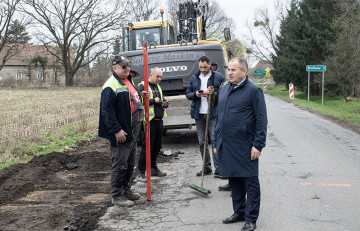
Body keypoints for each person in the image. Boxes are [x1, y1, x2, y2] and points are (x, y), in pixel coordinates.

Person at [213, 57, 267, 231]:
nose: (230, 72)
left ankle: (251, 218)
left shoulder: (253, 91)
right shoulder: (224, 89)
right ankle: (239, 212)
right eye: (229, 69)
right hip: (227, 144)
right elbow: (219, 118)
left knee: (250, 183)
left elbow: (261, 120)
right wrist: (216, 141)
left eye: (234, 70)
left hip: (246, 145)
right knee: (234, 180)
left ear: (244, 72)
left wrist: (258, 145)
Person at [98, 55, 146, 207]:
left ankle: (126, 189)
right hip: (121, 132)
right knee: (120, 164)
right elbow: (107, 111)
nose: (127, 68)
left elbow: (132, 102)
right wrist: (117, 130)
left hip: (132, 129)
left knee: (130, 162)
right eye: (123, 66)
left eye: (128, 66)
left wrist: (141, 97)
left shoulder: (128, 81)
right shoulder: (110, 85)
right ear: (115, 68)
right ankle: (117, 195)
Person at [186, 56, 225, 178]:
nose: (203, 69)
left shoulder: (218, 77)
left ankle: (219, 169)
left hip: (213, 114)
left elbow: (224, 93)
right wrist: (196, 94)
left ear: (210, 65)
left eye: (205, 67)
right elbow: (188, 93)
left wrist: (213, 93)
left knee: (215, 140)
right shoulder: (194, 78)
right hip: (199, 114)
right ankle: (206, 167)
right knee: (202, 142)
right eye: (200, 67)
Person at [137, 67, 170, 182]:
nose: (159, 79)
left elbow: (161, 100)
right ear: (150, 75)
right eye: (157, 76)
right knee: (147, 148)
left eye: (161, 77)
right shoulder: (143, 86)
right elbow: (137, 101)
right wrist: (152, 101)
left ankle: (153, 168)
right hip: (149, 122)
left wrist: (164, 103)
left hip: (159, 121)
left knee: (156, 147)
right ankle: (140, 172)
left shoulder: (158, 87)